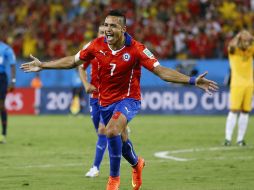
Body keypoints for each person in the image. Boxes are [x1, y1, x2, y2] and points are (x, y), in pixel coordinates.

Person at [21, 10, 218, 190]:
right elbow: (73, 61)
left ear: (123, 29)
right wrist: (43, 65)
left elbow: (161, 72)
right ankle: (136, 164)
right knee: (121, 141)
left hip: (129, 99)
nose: (107, 29)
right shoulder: (96, 45)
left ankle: (113, 180)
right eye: (106, 25)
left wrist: (192, 80)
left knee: (111, 130)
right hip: (104, 101)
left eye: (113, 26)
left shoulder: (137, 49)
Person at [79, 24, 130, 178]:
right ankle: (123, 131)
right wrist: (86, 84)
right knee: (102, 132)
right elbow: (81, 67)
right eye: (101, 32)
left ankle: (96, 167)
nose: (104, 35)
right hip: (95, 97)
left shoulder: (118, 49)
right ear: (97, 33)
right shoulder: (92, 48)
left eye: (106, 32)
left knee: (103, 130)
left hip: (112, 98)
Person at [224, 30, 254, 146]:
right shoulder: (233, 50)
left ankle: (240, 139)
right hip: (237, 84)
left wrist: (251, 38)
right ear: (240, 40)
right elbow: (231, 45)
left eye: (248, 41)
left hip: (249, 84)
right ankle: (228, 138)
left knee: (246, 111)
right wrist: (239, 35)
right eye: (244, 41)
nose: (247, 43)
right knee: (234, 110)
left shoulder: (250, 50)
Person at [0, 41, 16, 144]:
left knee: (1, 105)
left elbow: (13, 65)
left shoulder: (6, 49)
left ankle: (3, 134)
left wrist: (13, 81)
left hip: (1, 78)